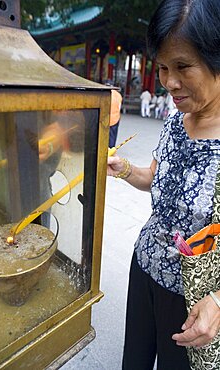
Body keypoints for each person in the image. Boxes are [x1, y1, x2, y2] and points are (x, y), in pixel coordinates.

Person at [107, 1, 220, 369]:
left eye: (183, 66)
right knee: (134, 361)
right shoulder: (175, 121)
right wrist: (123, 168)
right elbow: (156, 179)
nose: (169, 82)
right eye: (163, 68)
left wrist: (217, 302)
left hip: (193, 298)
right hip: (144, 268)